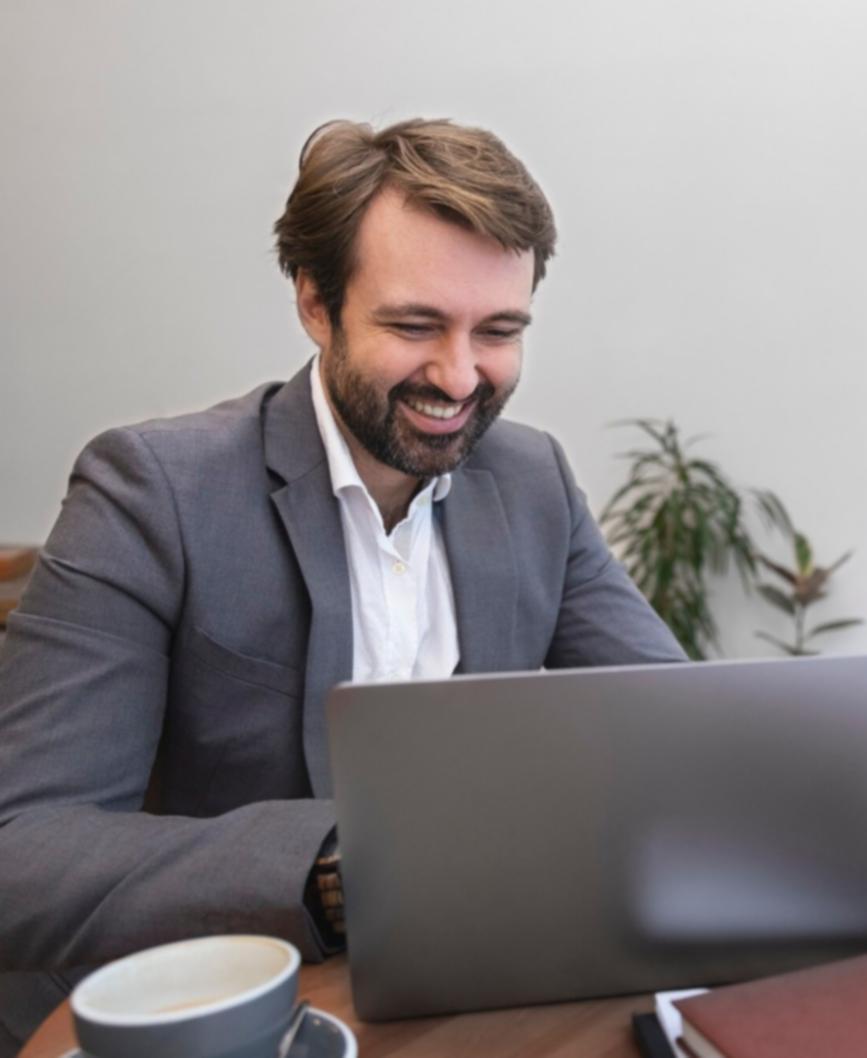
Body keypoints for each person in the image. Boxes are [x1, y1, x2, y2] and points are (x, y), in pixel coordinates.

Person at [0, 118, 684, 1053]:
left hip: (474, 995)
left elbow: (683, 731)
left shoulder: (532, 484)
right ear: (315, 305)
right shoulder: (154, 491)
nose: (458, 375)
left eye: (498, 331)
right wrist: (330, 864)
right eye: (414, 326)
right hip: (231, 1014)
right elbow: (22, 853)